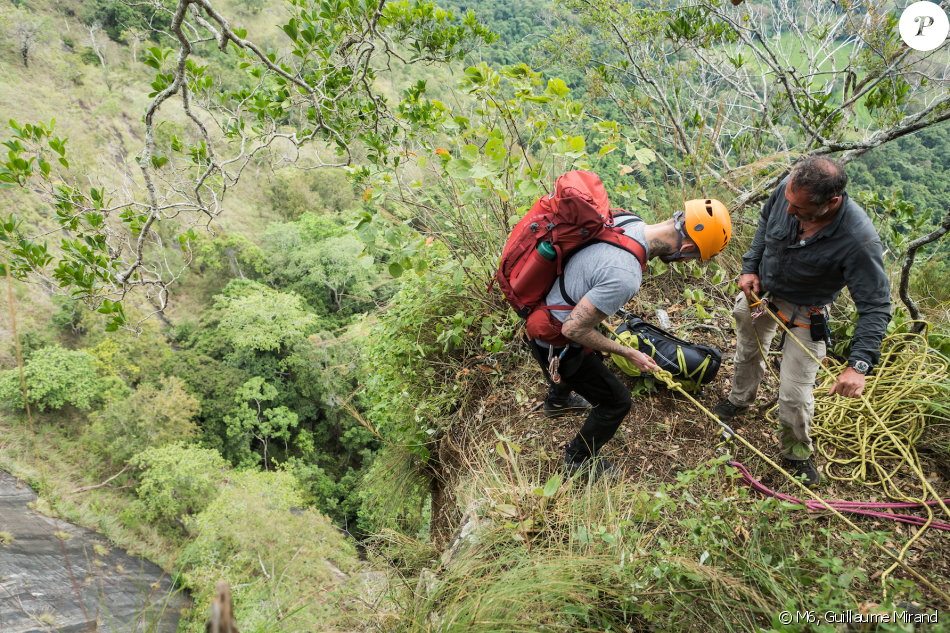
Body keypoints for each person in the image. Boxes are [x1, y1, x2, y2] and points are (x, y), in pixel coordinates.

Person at [713, 156, 892, 487]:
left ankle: (796, 453)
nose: (790, 210)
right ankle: (739, 399)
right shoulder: (790, 191)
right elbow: (767, 222)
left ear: (831, 202)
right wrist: (750, 267)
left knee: (795, 394)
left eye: (801, 208)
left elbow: (876, 304)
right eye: (789, 202)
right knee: (748, 351)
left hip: (806, 313)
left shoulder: (857, 239)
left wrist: (859, 364)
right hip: (762, 296)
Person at [528, 200, 733, 478]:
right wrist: (627, 352)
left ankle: (558, 402)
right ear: (686, 249)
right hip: (554, 337)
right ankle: (578, 459)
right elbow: (573, 331)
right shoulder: (626, 275)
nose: (687, 263)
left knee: (592, 353)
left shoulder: (626, 220)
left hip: (543, 305)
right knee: (617, 402)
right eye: (693, 258)